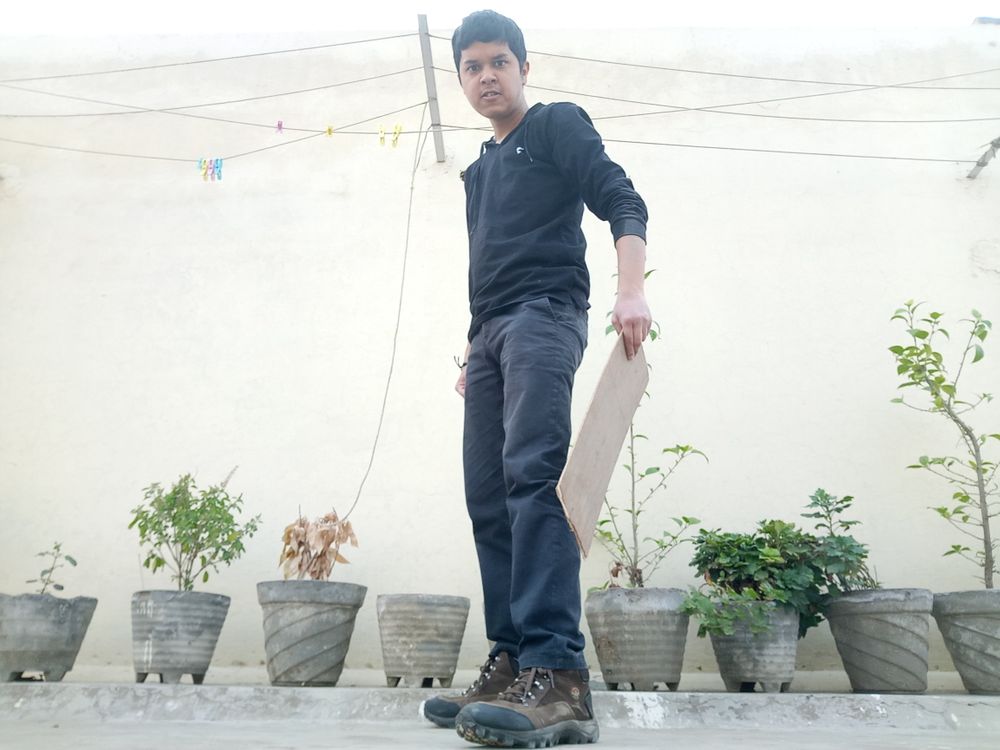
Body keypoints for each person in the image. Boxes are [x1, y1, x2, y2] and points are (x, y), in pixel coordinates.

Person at [422, 10, 651, 747]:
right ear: (461, 79)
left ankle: (559, 676)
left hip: (545, 317)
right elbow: (485, 271)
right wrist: (473, 349)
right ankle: (513, 660)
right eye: (472, 67)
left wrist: (630, 291)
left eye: (499, 62)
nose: (486, 76)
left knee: (534, 478)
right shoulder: (480, 172)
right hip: (491, 334)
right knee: (488, 496)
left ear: (524, 67)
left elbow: (622, 199)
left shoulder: (555, 126)